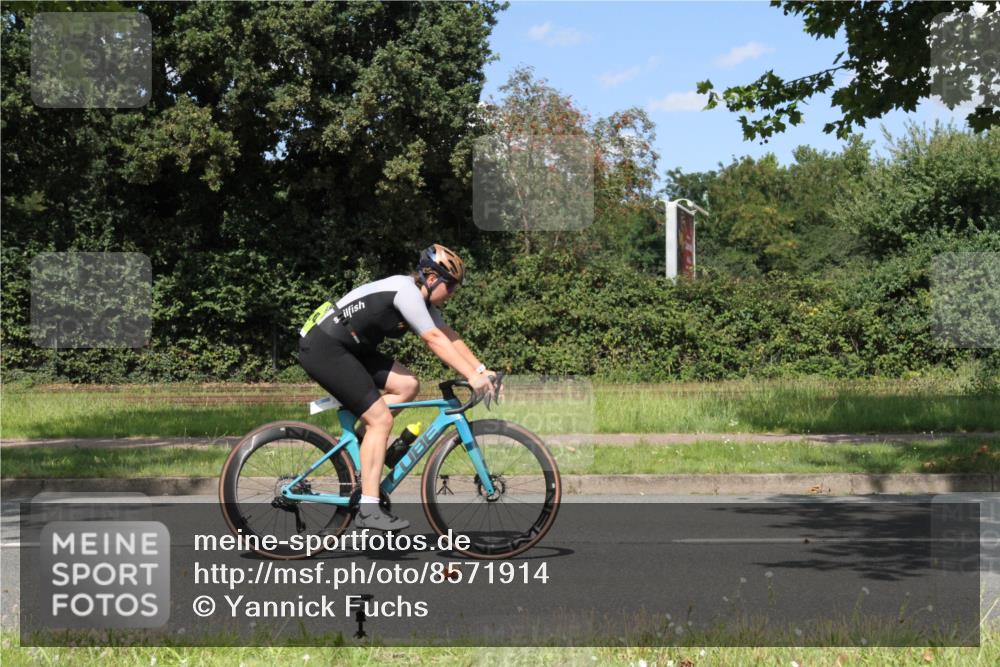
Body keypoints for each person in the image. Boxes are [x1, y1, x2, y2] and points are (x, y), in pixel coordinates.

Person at [298, 244, 496, 531]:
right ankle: (368, 507)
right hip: (325, 347)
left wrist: (480, 369)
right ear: (431, 278)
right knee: (381, 420)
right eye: (450, 285)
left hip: (352, 347)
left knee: (407, 385)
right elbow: (433, 339)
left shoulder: (423, 299)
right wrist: (471, 376)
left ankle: (368, 445)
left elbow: (448, 336)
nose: (453, 293)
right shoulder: (406, 292)